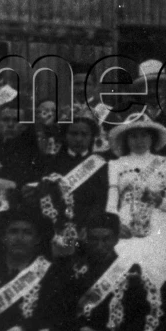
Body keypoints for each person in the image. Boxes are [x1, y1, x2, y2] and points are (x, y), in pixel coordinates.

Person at [51, 212, 161, 331]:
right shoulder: (73, 266)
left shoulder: (129, 269)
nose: (99, 245)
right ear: (86, 237)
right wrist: (84, 329)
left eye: (106, 239)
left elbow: (140, 312)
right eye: (93, 239)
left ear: (117, 239)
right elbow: (62, 308)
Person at [105, 115, 166, 289]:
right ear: (126, 139)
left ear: (152, 138)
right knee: (125, 259)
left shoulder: (165, 163)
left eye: (144, 135)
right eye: (134, 136)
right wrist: (114, 223)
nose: (140, 141)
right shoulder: (116, 164)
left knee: (157, 264)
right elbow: (112, 197)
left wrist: (160, 201)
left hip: (157, 221)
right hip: (125, 220)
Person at [36, 106, 110, 254]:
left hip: (89, 229)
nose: (78, 139)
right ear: (65, 136)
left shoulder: (100, 163)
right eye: (73, 133)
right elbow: (45, 194)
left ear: (91, 137)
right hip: (57, 227)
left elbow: (102, 198)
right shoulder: (53, 162)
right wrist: (57, 224)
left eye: (84, 134)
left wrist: (89, 225)